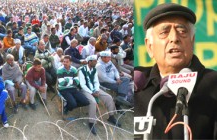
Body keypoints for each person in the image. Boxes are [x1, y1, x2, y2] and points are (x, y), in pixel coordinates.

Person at [134, 3, 217, 139]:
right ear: (149, 46)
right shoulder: (138, 82)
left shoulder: (213, 83)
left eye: (182, 31)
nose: (174, 38)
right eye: (164, 32)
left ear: (192, 41)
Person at [78, 55, 118, 135]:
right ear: (89, 62)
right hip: (85, 90)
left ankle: (111, 116)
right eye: (94, 61)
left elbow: (96, 81)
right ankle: (91, 122)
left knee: (109, 97)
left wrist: (96, 90)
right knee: (93, 102)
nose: (96, 62)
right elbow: (82, 84)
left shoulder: (94, 70)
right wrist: (92, 92)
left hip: (95, 88)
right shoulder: (81, 70)